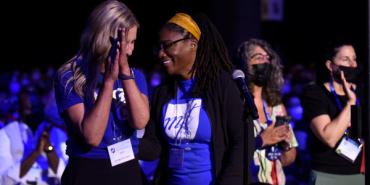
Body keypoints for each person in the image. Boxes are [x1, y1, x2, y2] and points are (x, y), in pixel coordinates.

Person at [54, 1, 149, 185]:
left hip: (127, 167)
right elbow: (92, 136)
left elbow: (140, 121)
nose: (131, 50)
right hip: (88, 169)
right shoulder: (69, 76)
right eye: (127, 43)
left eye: (134, 42)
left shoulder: (135, 75)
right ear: (107, 40)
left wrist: (125, 74)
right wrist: (108, 82)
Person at [145, 12, 245, 185]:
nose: (161, 54)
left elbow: (240, 143)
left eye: (167, 45)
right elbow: (153, 149)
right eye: (159, 47)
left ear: (193, 44)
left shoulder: (222, 86)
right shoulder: (163, 93)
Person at [301, 42, 365, 185]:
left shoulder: (361, 92)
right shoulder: (316, 93)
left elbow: (357, 134)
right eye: (345, 59)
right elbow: (329, 138)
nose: (352, 64)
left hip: (358, 174)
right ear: (330, 66)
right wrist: (350, 103)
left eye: (354, 59)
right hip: (327, 175)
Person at [237, 38, 298, 185]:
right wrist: (262, 140)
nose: (265, 62)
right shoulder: (236, 104)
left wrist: (286, 143)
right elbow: (231, 153)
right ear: (245, 63)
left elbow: (287, 160)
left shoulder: (277, 106)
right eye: (258, 57)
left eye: (267, 58)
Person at [0, 89, 67, 185]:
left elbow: (65, 177)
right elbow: (4, 180)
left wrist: (49, 149)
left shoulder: (56, 133)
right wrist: (35, 153)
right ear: (19, 109)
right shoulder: (5, 134)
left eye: (36, 108)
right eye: (27, 109)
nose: (33, 114)